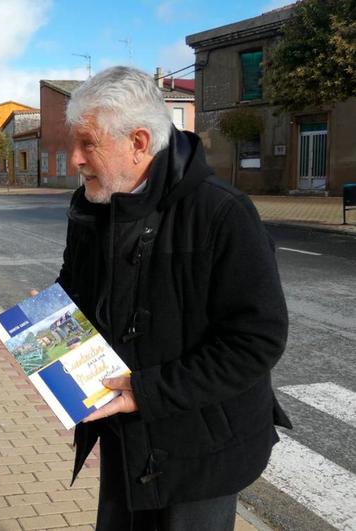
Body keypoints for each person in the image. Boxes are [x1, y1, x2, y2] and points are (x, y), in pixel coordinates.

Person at [58, 66, 291, 530]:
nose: (73, 160)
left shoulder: (222, 213)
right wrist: (55, 320)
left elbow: (256, 341)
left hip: (204, 450)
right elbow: (77, 287)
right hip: (125, 432)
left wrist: (147, 393)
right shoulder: (94, 204)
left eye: (87, 144)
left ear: (139, 142)